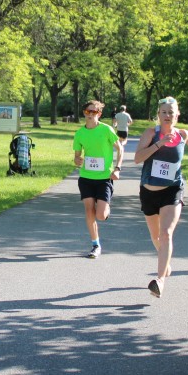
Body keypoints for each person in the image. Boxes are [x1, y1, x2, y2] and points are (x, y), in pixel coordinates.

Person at [135, 97, 188, 298]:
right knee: (156, 237)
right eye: (164, 112)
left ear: (177, 115)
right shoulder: (151, 133)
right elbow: (137, 158)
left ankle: (160, 281)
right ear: (158, 115)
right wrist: (159, 144)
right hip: (149, 191)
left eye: (171, 112)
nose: (167, 115)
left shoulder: (183, 134)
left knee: (166, 233)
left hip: (172, 190)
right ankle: (165, 261)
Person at [73, 100, 123, 259]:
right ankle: (95, 245)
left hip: (104, 178)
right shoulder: (80, 133)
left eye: (93, 112)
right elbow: (76, 157)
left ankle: (105, 209)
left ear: (99, 114)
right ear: (84, 113)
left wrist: (117, 168)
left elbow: (120, 148)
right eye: (87, 111)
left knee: (100, 215)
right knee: (89, 211)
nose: (90, 114)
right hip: (86, 177)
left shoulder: (106, 129)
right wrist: (77, 160)